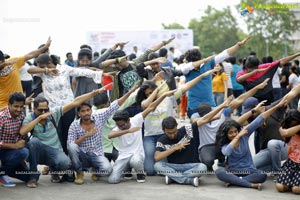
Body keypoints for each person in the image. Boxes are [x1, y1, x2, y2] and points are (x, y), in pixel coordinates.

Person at [19, 85, 111, 188]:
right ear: (34, 108)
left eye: (46, 109)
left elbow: (74, 102)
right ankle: (33, 177)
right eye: (40, 110)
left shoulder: (53, 114)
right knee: (33, 142)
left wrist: (93, 94)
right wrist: (39, 118)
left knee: (66, 163)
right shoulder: (30, 118)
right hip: (39, 151)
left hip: (54, 150)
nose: (44, 113)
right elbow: (22, 131)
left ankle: (54, 170)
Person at [136, 67, 216, 176]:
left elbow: (187, 86)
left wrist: (202, 76)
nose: (150, 95)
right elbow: (147, 105)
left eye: (151, 92)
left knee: (162, 171)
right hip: (150, 137)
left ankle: (177, 176)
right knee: (150, 171)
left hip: (165, 137)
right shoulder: (144, 102)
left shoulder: (168, 98)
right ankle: (183, 177)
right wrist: (157, 92)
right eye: (148, 94)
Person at [67, 82, 139, 185]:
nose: (86, 113)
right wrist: (86, 135)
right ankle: (79, 172)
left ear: (91, 110)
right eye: (83, 111)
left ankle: (96, 170)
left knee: (108, 170)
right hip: (83, 154)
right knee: (72, 146)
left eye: (88, 110)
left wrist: (131, 91)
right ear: (79, 113)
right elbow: (71, 145)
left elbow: (117, 104)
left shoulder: (99, 117)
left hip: (97, 153)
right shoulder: (74, 125)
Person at [191, 79, 270, 171]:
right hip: (207, 146)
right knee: (207, 160)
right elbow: (198, 120)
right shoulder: (196, 117)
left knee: (231, 141)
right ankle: (208, 164)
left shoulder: (221, 111)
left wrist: (256, 88)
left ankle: (223, 161)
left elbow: (240, 99)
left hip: (222, 143)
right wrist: (215, 116)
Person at [153, 98, 231, 187]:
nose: (172, 135)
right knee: (157, 166)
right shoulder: (162, 139)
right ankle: (188, 180)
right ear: (163, 130)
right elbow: (157, 157)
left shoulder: (187, 129)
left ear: (177, 126)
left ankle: (173, 178)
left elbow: (205, 119)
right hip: (173, 167)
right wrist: (175, 148)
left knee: (203, 168)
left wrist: (221, 106)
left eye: (174, 132)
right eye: (169, 133)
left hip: (191, 166)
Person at [215, 100, 286, 190]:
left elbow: (261, 118)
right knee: (219, 172)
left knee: (262, 175)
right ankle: (250, 185)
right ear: (226, 135)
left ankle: (235, 181)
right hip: (233, 171)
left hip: (249, 170)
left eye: (235, 131)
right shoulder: (225, 144)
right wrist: (238, 137)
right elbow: (227, 152)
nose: (234, 134)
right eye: (230, 133)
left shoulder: (244, 135)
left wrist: (277, 106)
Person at [108, 89, 175, 184]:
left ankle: (140, 173)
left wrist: (163, 95)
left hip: (136, 154)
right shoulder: (119, 127)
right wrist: (127, 130)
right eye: (119, 125)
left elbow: (151, 107)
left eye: (122, 125)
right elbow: (110, 135)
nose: (120, 127)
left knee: (135, 161)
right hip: (124, 156)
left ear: (128, 120)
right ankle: (127, 171)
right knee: (112, 180)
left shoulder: (136, 120)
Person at [180, 36, 251, 117]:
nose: (195, 67)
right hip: (194, 105)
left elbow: (224, 54)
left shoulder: (208, 63)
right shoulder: (187, 69)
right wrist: (202, 60)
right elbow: (188, 66)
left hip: (210, 103)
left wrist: (238, 45)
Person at [0, 38, 51, 110]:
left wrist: (45, 47)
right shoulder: (7, 63)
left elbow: (30, 55)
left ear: (3, 60)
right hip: (3, 105)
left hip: (18, 102)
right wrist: (4, 64)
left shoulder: (13, 61)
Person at [0, 92, 33, 187]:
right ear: (9, 105)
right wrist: (15, 146)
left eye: (21, 107)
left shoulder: (22, 116)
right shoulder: (2, 118)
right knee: (23, 152)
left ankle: (5, 171)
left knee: (32, 176)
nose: (18, 109)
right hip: (3, 149)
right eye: (15, 106)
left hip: (12, 152)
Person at [276, 110, 300, 194]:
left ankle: (294, 184)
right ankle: (293, 182)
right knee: (280, 187)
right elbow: (285, 133)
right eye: (291, 124)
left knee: (296, 190)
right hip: (291, 163)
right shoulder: (285, 129)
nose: (293, 126)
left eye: (295, 123)